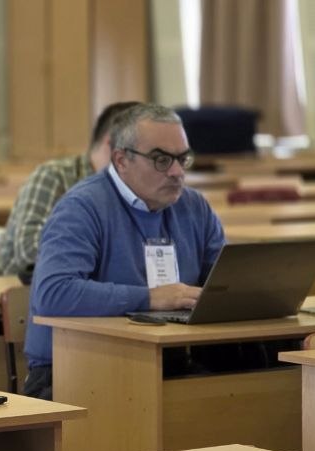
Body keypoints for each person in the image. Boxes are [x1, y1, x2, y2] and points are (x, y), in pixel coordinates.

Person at [22, 104, 225, 400]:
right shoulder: (82, 207)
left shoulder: (194, 207)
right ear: (121, 160)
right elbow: (54, 293)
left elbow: (223, 284)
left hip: (166, 360)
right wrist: (151, 298)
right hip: (74, 369)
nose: (177, 172)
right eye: (161, 160)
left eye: (183, 158)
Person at [0, 101, 141, 280]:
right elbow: (29, 250)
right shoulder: (54, 176)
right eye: (141, 151)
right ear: (114, 144)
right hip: (24, 290)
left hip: (99, 290)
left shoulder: (135, 188)